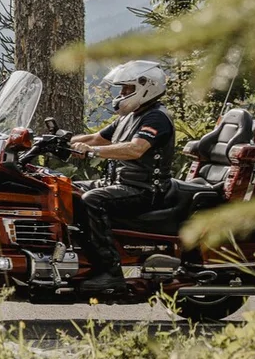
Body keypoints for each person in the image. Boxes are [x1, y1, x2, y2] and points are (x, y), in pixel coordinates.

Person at [66, 60, 175, 292]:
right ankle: (78, 256)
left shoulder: (156, 117)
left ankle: (109, 272)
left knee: (92, 200)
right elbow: (97, 138)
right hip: (118, 182)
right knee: (66, 188)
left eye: (127, 89)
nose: (122, 94)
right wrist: (62, 142)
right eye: (122, 89)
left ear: (146, 86)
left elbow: (136, 148)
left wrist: (93, 152)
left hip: (144, 189)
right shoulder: (131, 115)